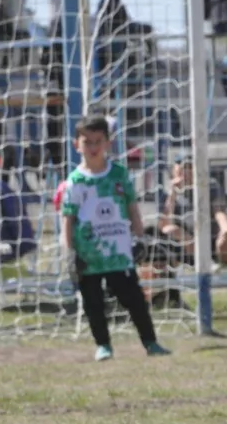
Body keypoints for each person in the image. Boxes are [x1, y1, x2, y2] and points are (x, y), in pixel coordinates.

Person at [60, 115, 171, 361]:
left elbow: (132, 207)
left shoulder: (119, 174)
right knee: (94, 304)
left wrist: (139, 238)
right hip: (88, 255)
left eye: (97, 141)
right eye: (86, 141)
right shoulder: (75, 182)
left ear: (108, 143)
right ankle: (103, 345)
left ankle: (151, 342)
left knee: (134, 299)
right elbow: (67, 220)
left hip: (118, 253)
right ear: (76, 144)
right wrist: (69, 253)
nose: (92, 147)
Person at [158, 157, 227, 307]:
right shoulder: (167, 195)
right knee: (170, 230)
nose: (186, 174)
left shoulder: (210, 187)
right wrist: (172, 194)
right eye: (181, 171)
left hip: (213, 243)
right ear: (174, 173)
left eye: (189, 169)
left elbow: (219, 212)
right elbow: (162, 226)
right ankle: (169, 297)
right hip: (185, 249)